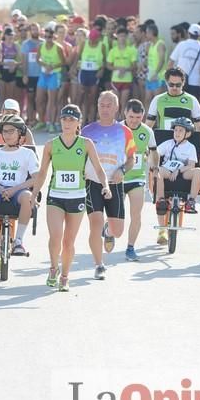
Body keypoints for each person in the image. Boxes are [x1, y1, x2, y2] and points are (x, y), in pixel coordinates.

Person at [32, 104, 111, 291]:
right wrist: (34, 194)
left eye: (71, 120)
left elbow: (99, 169)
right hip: (56, 196)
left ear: (78, 123)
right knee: (56, 236)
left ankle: (65, 277)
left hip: (77, 197)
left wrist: (106, 186)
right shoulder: (51, 145)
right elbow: (42, 172)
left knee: (69, 241)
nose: (67, 123)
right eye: (64, 119)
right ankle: (53, 268)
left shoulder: (86, 144)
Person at [82, 91, 135, 279]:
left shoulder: (125, 132)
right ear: (97, 107)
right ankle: (99, 265)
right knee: (94, 225)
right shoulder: (86, 131)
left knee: (118, 231)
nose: (105, 109)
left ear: (116, 108)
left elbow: (131, 159)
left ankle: (109, 230)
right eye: (102, 105)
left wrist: (123, 171)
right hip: (93, 183)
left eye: (108, 106)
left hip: (114, 183)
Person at [0, 114, 40, 256]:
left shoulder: (27, 153)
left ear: (20, 133)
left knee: (28, 197)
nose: (7, 135)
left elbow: (36, 178)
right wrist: (1, 189)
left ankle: (18, 240)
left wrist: (14, 189)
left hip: (19, 190)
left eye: (11, 131)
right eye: (5, 131)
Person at [120, 99, 156, 261]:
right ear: (125, 114)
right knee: (117, 215)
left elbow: (154, 152)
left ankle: (130, 248)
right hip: (118, 179)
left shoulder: (147, 132)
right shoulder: (117, 129)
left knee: (136, 215)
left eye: (138, 117)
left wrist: (155, 167)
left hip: (137, 178)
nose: (134, 121)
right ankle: (109, 229)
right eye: (131, 117)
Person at [146, 67, 200, 151]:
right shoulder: (157, 100)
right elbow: (148, 127)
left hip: (186, 145)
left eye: (178, 85)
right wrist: (147, 147)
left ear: (183, 83)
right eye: (171, 85)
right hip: (164, 144)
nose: (174, 88)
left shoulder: (192, 100)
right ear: (166, 83)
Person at [155, 117, 200, 214]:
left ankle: (191, 202)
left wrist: (178, 170)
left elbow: (191, 165)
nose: (177, 133)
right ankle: (161, 201)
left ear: (188, 133)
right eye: (175, 130)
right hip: (167, 170)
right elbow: (155, 153)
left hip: (183, 172)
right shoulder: (168, 143)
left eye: (181, 130)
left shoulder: (190, 147)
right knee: (159, 170)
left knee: (198, 171)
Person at [168, 23, 200, 100]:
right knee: (192, 106)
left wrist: (169, 79)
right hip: (195, 82)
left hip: (179, 81)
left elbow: (171, 62)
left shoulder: (181, 45)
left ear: (188, 33)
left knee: (178, 105)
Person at [36, 27, 66, 133]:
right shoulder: (41, 46)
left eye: (50, 37)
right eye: (46, 37)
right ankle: (41, 121)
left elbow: (63, 62)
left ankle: (51, 123)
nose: (48, 39)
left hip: (54, 74)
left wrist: (52, 66)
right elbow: (37, 59)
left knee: (52, 100)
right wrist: (45, 64)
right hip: (44, 73)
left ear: (54, 37)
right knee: (39, 99)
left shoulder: (58, 48)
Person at [74, 28, 106, 123]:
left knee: (92, 97)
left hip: (94, 73)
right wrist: (74, 67)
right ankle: (80, 120)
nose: (91, 41)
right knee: (81, 96)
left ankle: (91, 121)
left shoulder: (102, 46)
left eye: (93, 39)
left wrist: (101, 70)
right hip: (84, 72)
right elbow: (78, 56)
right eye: (90, 39)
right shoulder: (84, 43)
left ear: (97, 39)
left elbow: (105, 60)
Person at [107, 27, 137, 114]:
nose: (122, 38)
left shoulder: (131, 50)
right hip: (115, 80)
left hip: (127, 80)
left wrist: (125, 69)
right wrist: (118, 68)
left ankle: (123, 123)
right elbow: (108, 65)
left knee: (124, 103)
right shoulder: (113, 50)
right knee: (116, 103)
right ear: (117, 37)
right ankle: (115, 123)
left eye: (124, 36)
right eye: (120, 36)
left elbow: (134, 65)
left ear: (127, 37)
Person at [144, 24, 167, 108]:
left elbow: (162, 60)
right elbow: (148, 60)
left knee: (157, 102)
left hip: (158, 77)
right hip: (149, 76)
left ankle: (158, 121)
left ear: (151, 33)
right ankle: (148, 120)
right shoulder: (150, 45)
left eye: (147, 33)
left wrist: (156, 73)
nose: (145, 35)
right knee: (147, 100)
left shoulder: (160, 44)